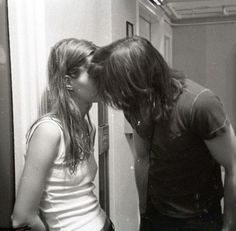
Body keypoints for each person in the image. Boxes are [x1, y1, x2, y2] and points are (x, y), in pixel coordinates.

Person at [90, 36, 236, 231]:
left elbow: (233, 166)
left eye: (113, 86)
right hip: (156, 213)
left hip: (199, 218)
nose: (110, 95)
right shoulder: (133, 104)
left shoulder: (200, 104)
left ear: (136, 80)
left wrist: (229, 225)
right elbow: (142, 158)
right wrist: (143, 212)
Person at [12, 38, 114, 231]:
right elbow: (22, 218)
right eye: (93, 73)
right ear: (68, 82)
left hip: (104, 224)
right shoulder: (49, 130)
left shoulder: (86, 126)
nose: (103, 79)